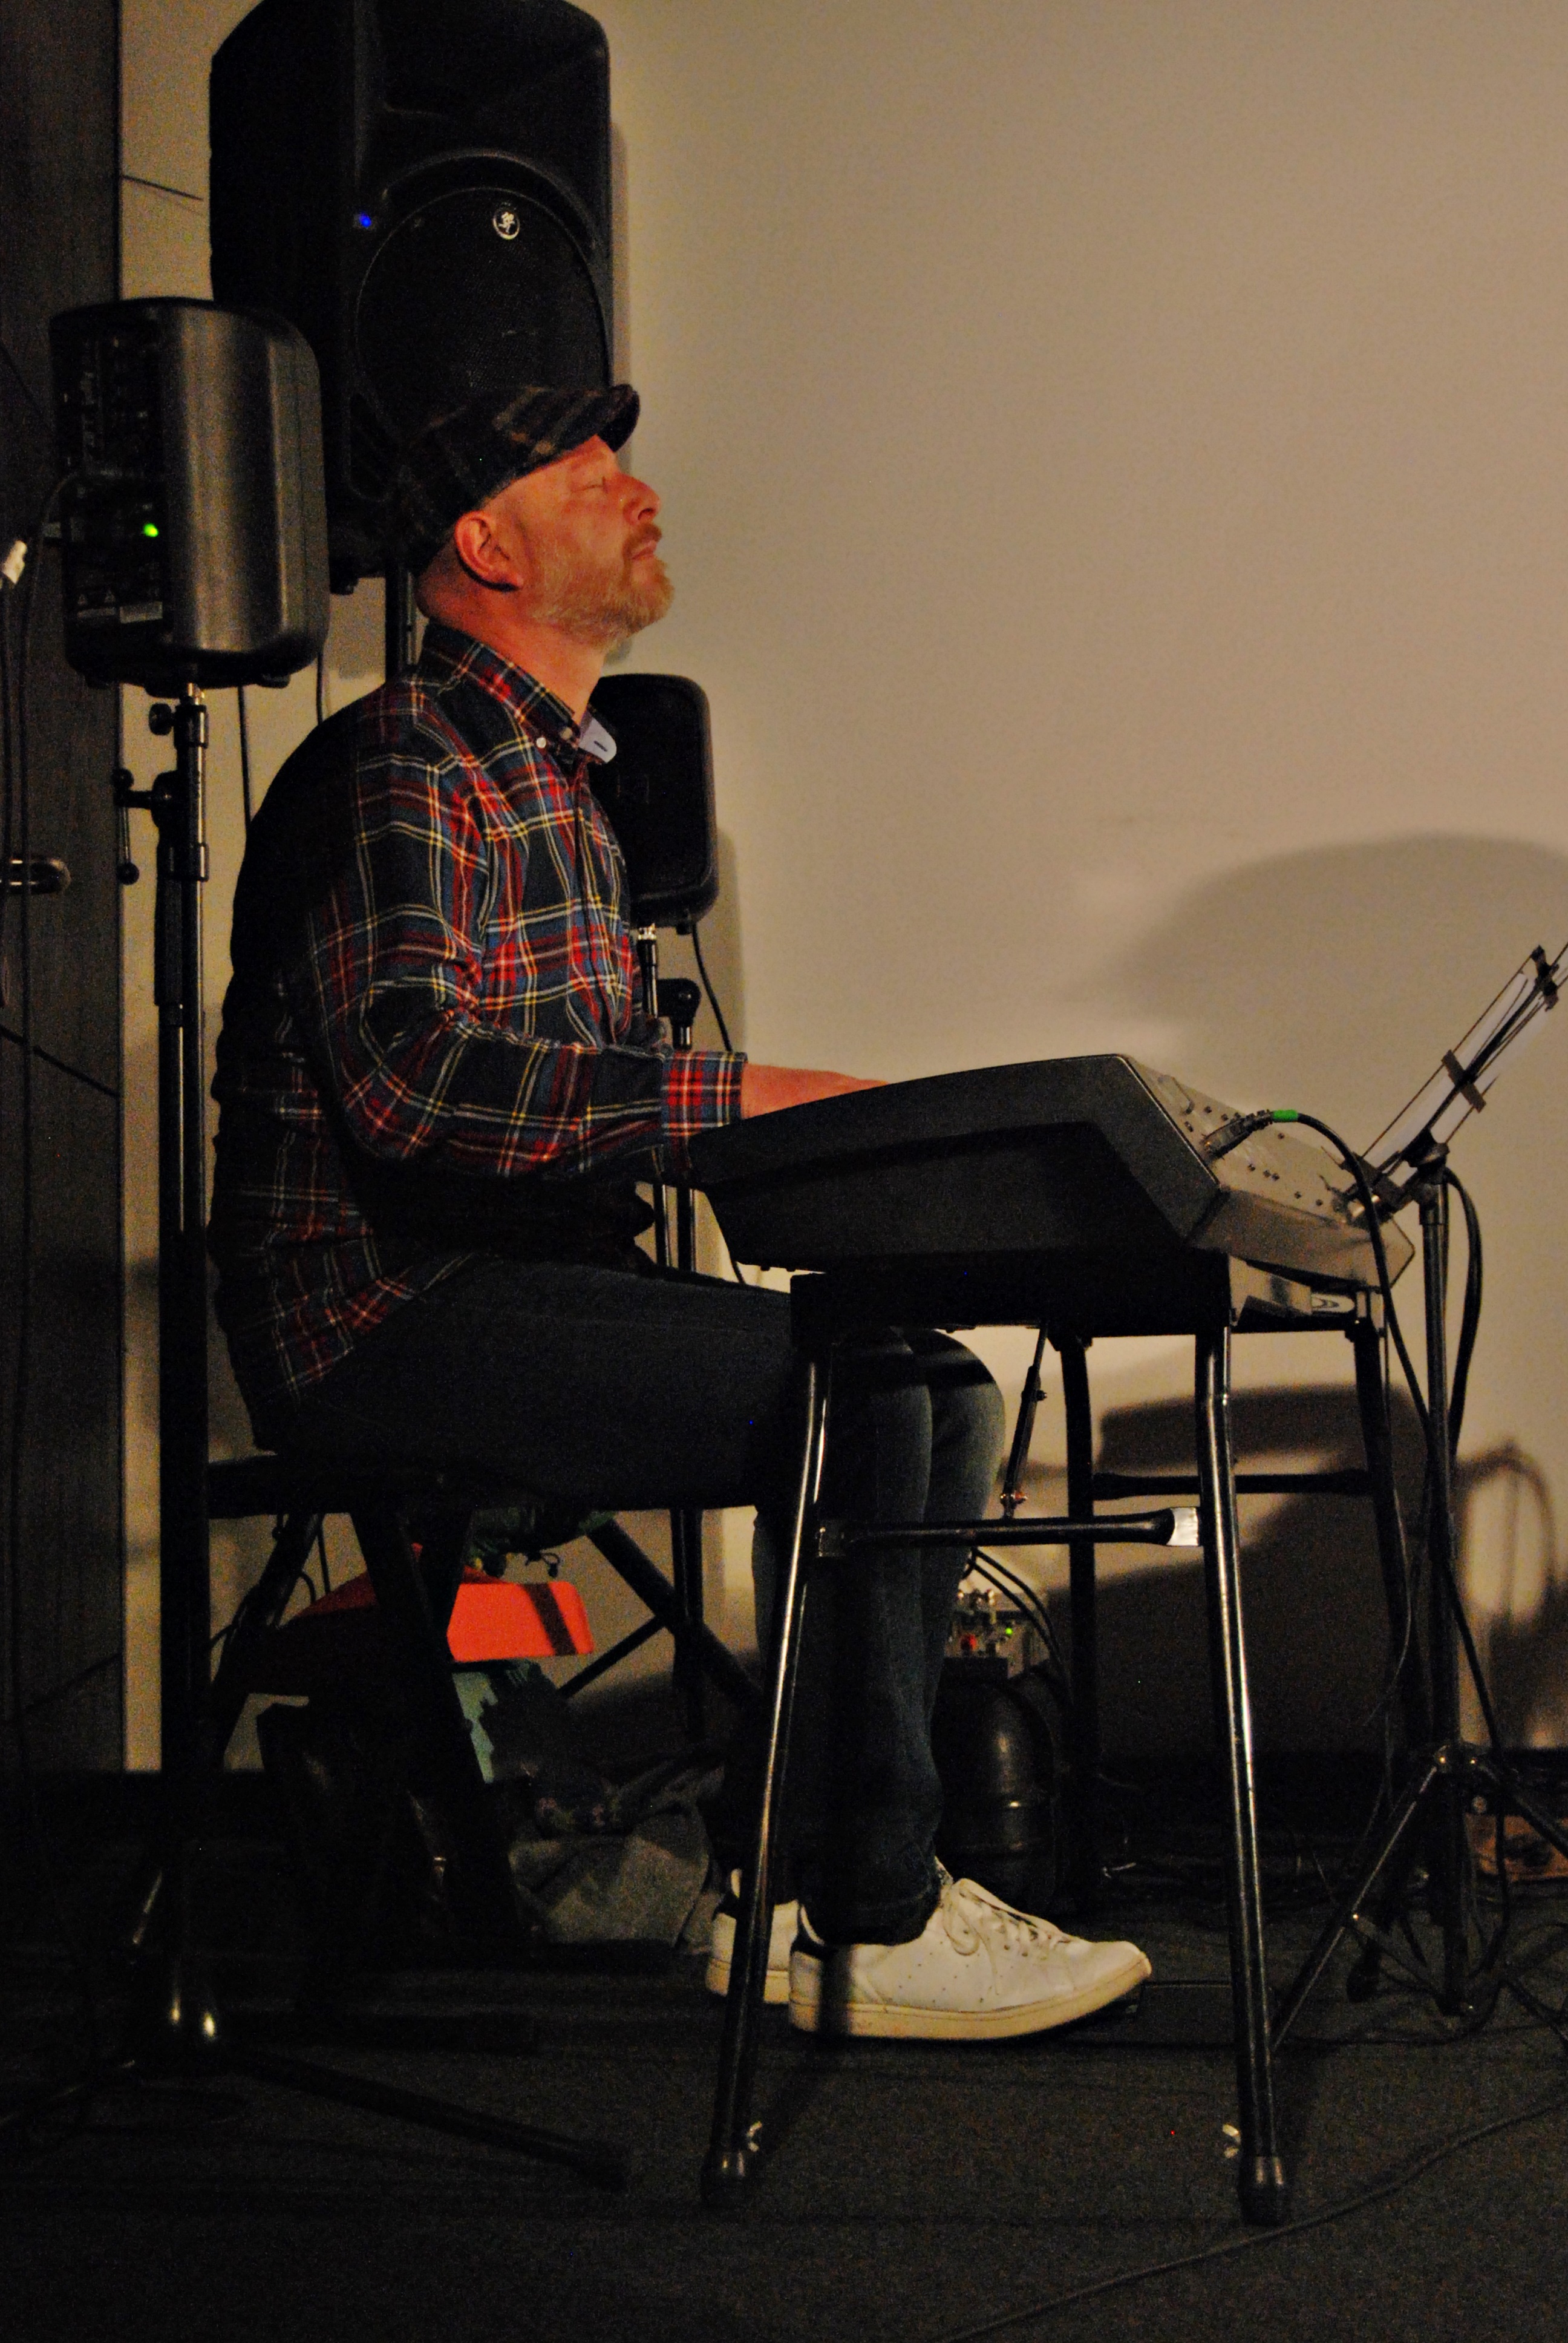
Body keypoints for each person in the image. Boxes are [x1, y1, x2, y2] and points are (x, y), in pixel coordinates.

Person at [209, 380, 1149, 2037]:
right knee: (879, 1402)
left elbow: (575, 1108)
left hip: (493, 1281)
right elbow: (412, 1084)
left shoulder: (558, 788)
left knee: (931, 1385)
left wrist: (862, 1153)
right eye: (585, 473)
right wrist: (746, 1097)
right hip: (378, 1311)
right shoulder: (405, 762)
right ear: (487, 547)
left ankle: (812, 1885)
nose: (635, 492)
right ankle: (861, 1911)